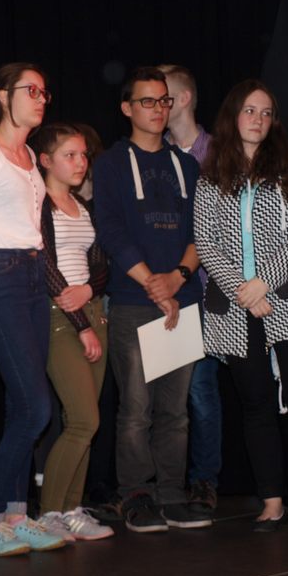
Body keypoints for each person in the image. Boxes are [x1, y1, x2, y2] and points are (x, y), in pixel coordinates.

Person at [194, 79, 288, 536]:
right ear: (232, 115)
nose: (258, 119)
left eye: (266, 112)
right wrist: (244, 291)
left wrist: (262, 285)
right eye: (249, 110)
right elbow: (206, 242)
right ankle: (272, 503)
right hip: (235, 308)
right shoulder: (211, 174)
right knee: (256, 407)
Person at [93, 66, 212, 533]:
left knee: (175, 411)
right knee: (136, 409)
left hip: (182, 297)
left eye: (163, 100)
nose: (158, 109)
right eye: (147, 101)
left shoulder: (188, 166)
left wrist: (177, 279)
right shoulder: (111, 164)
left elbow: (201, 231)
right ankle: (136, 494)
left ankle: (171, 494)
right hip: (133, 298)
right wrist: (152, 283)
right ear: (127, 108)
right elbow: (111, 231)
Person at [0, 62, 64, 555]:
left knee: (25, 405)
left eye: (45, 92)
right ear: (3, 96)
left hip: (32, 276)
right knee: (36, 406)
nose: (40, 99)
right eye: (30, 90)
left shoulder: (26, 157)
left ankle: (17, 516)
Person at [31, 123, 113, 541]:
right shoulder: (38, 204)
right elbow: (46, 266)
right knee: (84, 419)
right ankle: (49, 513)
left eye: (83, 155)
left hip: (93, 313)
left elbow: (101, 265)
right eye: (70, 155)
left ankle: (72, 510)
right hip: (60, 317)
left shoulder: (82, 205)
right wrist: (81, 323)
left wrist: (89, 293)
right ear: (46, 160)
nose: (81, 162)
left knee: (82, 422)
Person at [158, 63, 221, 514]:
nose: (154, 104)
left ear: (181, 99)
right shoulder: (153, 154)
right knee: (165, 398)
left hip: (210, 292)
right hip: (166, 295)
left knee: (200, 393)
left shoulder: (218, 154)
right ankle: (167, 485)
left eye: (161, 95)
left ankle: (204, 480)